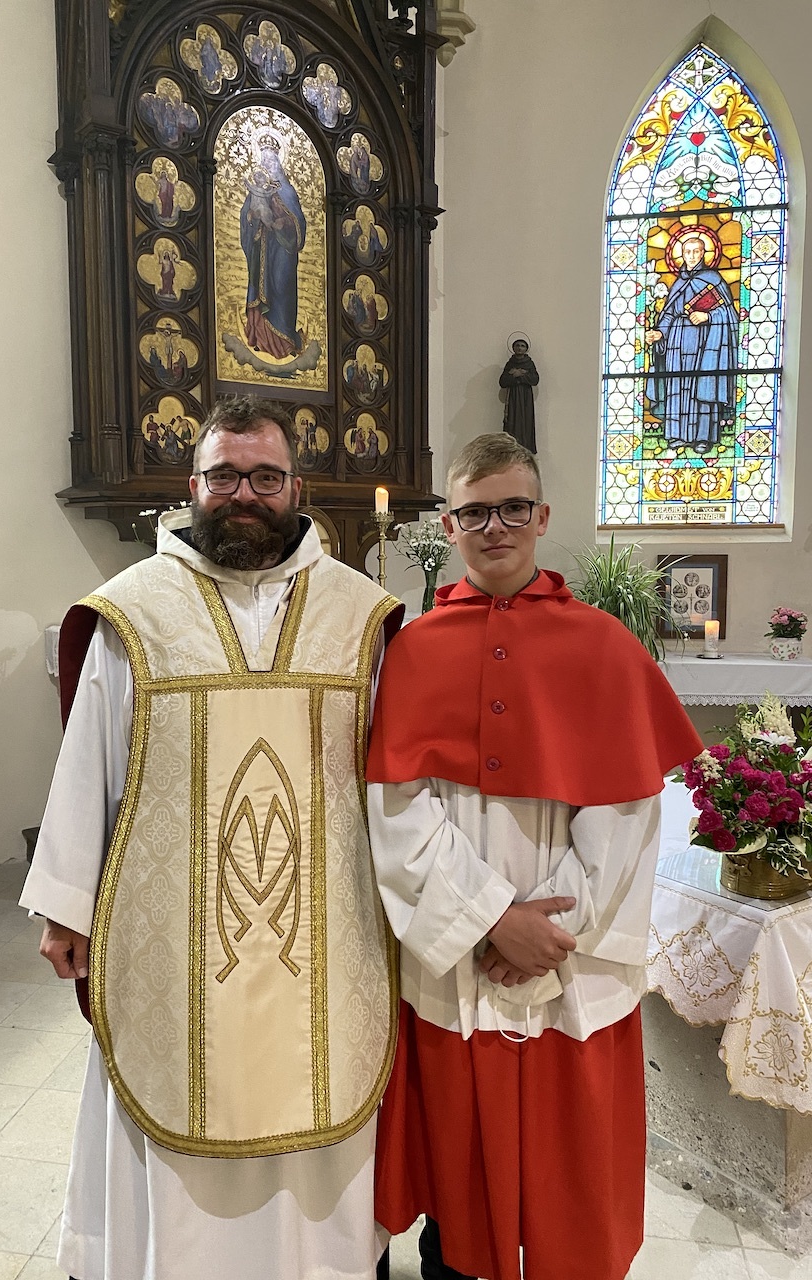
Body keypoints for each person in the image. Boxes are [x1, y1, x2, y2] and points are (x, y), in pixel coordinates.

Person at [20, 394, 402, 1280]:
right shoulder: (133, 611)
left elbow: (398, 784)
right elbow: (90, 761)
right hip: (172, 943)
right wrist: (67, 906)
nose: (244, 495)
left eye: (265, 477)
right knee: (169, 1090)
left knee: (326, 1092)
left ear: (298, 488)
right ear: (192, 486)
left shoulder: (361, 617)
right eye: (224, 476)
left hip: (328, 934)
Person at [366, 432, 701, 1280]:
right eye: (476, 512)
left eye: (514, 508)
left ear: (542, 516)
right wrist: (490, 920)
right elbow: (395, 811)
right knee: (459, 1191)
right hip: (460, 964)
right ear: (449, 525)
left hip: (571, 968)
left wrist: (546, 934)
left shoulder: (605, 646)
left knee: (570, 1187)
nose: (496, 527)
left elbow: (627, 815)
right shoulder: (412, 650)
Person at [645, 235, 736, 453]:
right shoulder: (678, 282)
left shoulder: (714, 279)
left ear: (704, 253)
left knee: (702, 385)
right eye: (688, 252)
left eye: (696, 251)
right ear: (682, 255)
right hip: (677, 341)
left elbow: (730, 315)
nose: (692, 256)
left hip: (706, 342)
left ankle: (703, 437)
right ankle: (676, 434)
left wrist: (708, 317)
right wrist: (659, 333)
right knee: (676, 384)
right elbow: (669, 314)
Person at [240, 136, 306, 359]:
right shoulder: (257, 190)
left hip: (283, 252)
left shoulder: (288, 192)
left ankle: (286, 339)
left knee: (281, 285)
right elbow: (247, 216)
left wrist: (283, 222)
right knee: (261, 289)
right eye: (264, 161)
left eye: (271, 161)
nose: (267, 165)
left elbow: (298, 222)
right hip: (262, 249)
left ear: (279, 163)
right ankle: (261, 338)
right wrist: (252, 216)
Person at [497, 337, 539, 452]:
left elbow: (535, 379)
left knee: (526, 422)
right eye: (517, 345)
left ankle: (526, 449)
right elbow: (502, 382)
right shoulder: (510, 364)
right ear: (513, 348)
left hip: (525, 398)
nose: (519, 348)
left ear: (526, 349)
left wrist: (521, 375)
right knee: (512, 421)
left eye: (522, 346)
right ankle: (512, 449)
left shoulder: (529, 363)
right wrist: (513, 376)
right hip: (513, 397)